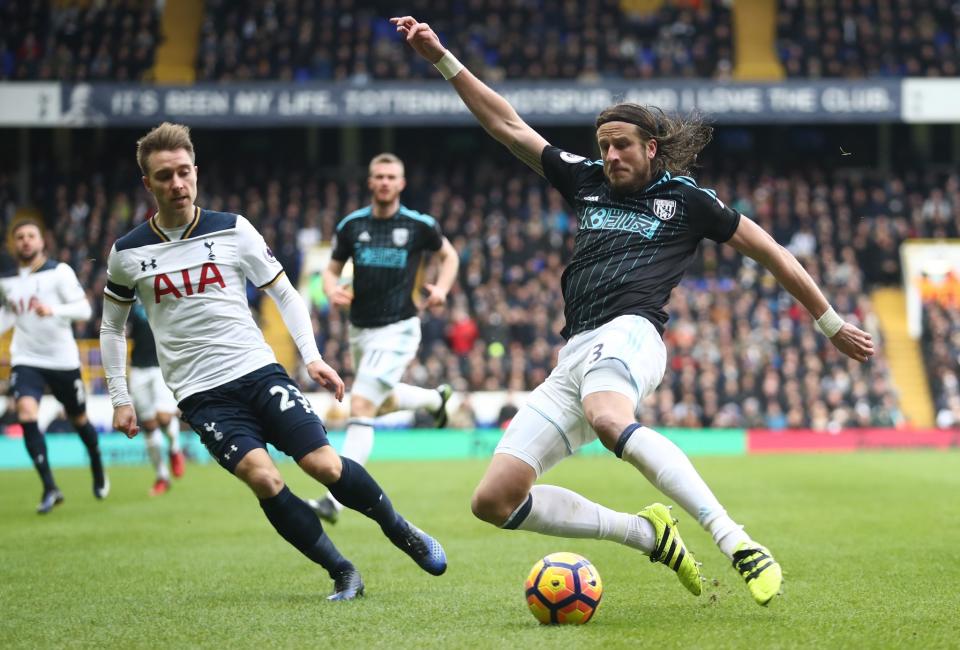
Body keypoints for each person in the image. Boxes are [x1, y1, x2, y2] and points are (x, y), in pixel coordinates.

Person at [392, 15, 876, 606]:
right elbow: (506, 124)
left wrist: (829, 322)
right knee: (494, 500)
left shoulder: (686, 200)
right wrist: (442, 57)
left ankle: (736, 540)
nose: (612, 155)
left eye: (622, 146)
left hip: (632, 334)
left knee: (606, 416)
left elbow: (770, 250)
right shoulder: (586, 180)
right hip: (575, 352)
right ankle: (647, 533)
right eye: (605, 146)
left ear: (651, 148)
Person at [99, 122, 447, 601]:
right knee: (264, 478)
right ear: (148, 184)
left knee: (324, 465)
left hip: (258, 373)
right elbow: (111, 327)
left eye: (184, 172)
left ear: (196, 173)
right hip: (202, 396)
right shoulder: (127, 253)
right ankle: (343, 572)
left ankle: (400, 529)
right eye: (164, 176)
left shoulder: (233, 229)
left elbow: (282, 291)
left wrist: (313, 357)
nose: (177, 184)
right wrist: (119, 397)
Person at [308, 153, 460, 524]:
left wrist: (441, 289)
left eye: (392, 176)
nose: (385, 182)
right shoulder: (351, 225)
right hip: (359, 330)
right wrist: (331, 289)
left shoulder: (418, 224)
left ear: (401, 183)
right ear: (370, 182)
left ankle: (334, 499)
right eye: (379, 176)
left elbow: (449, 255)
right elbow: (329, 272)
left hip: (399, 327)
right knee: (380, 401)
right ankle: (433, 400)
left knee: (361, 405)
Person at [0, 218, 108, 513]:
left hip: (62, 360)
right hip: (26, 358)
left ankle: (97, 462)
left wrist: (54, 310)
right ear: (14, 243)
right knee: (25, 413)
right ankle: (50, 487)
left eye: (30, 235)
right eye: (19, 236)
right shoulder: (7, 280)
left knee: (79, 420)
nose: (25, 241)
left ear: (41, 241)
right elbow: (9, 316)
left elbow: (84, 308)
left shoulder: (59, 272)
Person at [127, 299, 185, 495]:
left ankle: (175, 449)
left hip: (162, 366)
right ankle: (162, 476)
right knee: (149, 424)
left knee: (164, 417)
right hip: (138, 369)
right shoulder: (132, 303)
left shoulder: (165, 295)